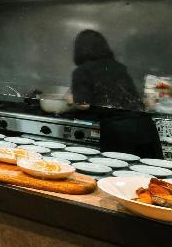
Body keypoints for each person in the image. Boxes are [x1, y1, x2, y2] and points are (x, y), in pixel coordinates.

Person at [69, 29, 162, 158]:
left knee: (119, 170)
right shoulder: (118, 67)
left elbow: (84, 104)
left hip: (120, 133)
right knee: (149, 170)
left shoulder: (82, 71)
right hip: (145, 126)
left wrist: (71, 98)